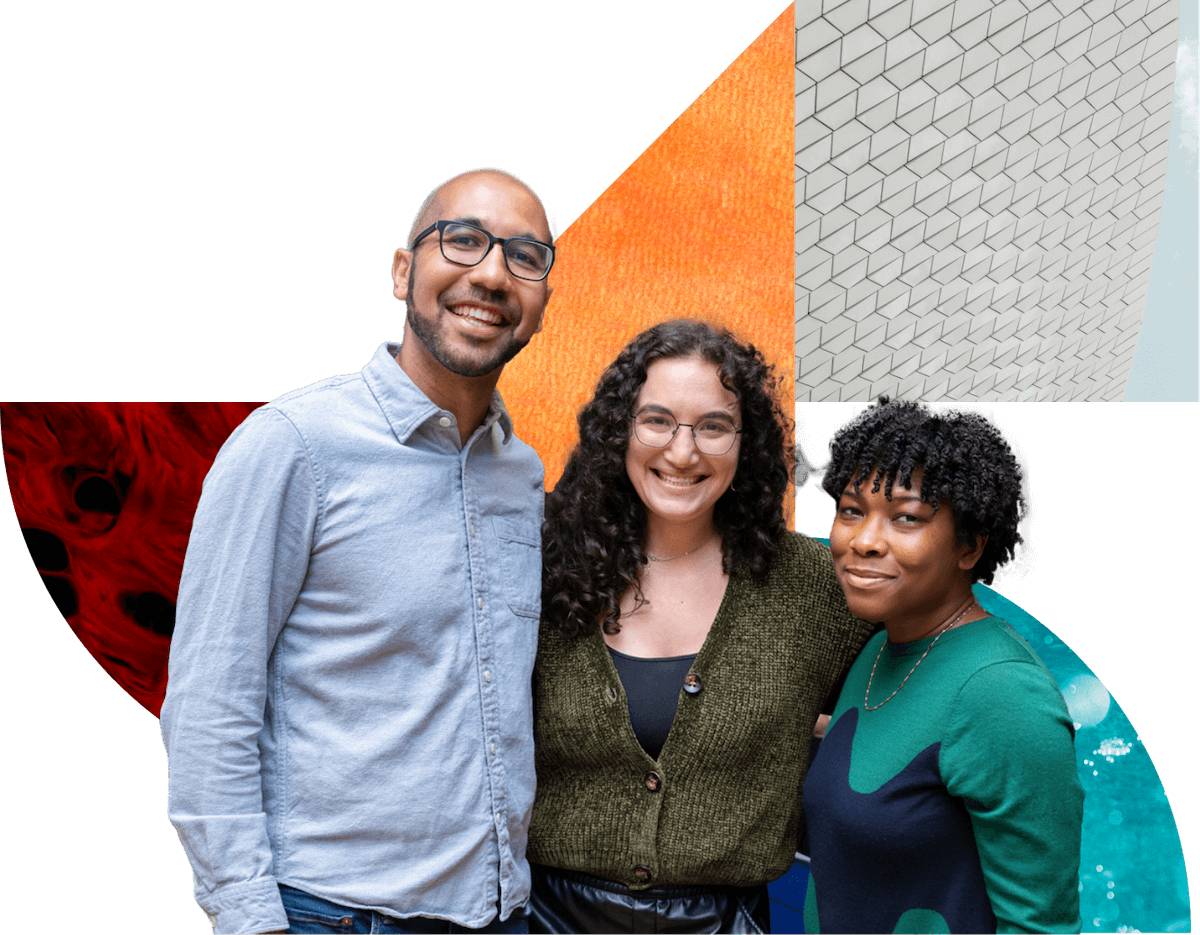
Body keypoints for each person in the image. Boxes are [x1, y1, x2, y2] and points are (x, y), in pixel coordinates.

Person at [159, 167, 556, 935]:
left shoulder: (522, 475)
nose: (491, 273)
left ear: (541, 303)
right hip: (332, 915)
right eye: (463, 240)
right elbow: (210, 702)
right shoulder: (294, 445)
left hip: (500, 912)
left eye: (525, 256)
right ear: (403, 270)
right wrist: (247, 916)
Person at [526, 320, 878, 934]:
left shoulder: (813, 585)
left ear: (748, 445)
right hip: (541, 918)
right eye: (656, 420)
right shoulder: (540, 565)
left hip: (729, 921)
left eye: (713, 426)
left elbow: (912, 684)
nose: (682, 452)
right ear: (619, 431)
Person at [802, 398, 1084, 934]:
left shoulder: (1001, 692)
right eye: (851, 510)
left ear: (970, 546)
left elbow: (1040, 927)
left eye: (907, 518)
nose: (864, 541)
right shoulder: (881, 647)